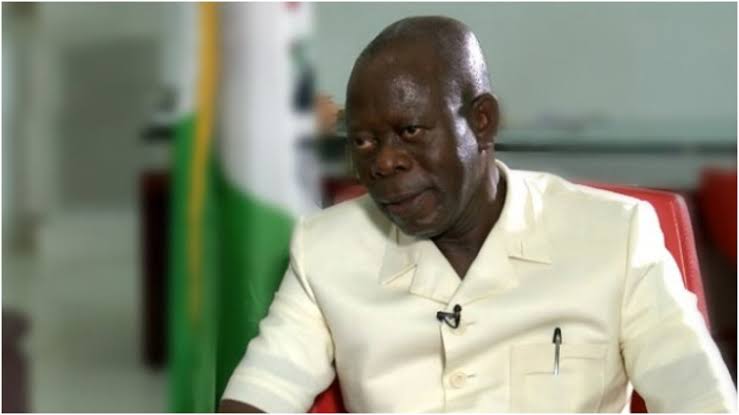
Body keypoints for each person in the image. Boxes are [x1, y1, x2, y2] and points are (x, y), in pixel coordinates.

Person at [219, 16, 736, 413]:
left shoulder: (615, 236)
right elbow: (263, 391)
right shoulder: (324, 248)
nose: (384, 162)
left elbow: (698, 397)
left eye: (410, 131)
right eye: (364, 141)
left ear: (482, 122)